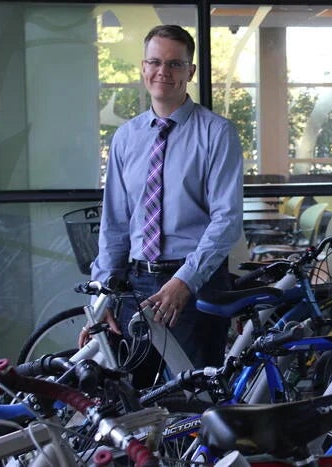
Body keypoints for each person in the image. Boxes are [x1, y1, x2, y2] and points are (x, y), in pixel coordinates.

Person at [81, 24, 243, 382]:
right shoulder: (125, 138)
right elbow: (116, 223)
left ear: (191, 71)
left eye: (174, 64)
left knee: (194, 399)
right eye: (155, 62)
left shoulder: (217, 134)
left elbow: (227, 220)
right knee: (136, 400)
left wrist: (185, 281)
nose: (163, 72)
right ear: (143, 67)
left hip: (195, 285)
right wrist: (105, 292)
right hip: (136, 285)